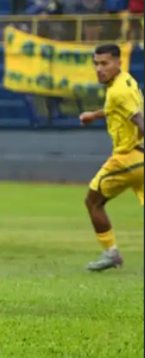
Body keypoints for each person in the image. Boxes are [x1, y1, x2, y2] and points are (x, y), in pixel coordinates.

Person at [79, 44, 144, 272]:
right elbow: (116, 109)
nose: (99, 69)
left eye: (105, 63)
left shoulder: (119, 91)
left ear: (118, 62)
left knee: (92, 201)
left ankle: (111, 253)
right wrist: (94, 115)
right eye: (96, 63)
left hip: (128, 158)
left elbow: (138, 119)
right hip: (140, 158)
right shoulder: (125, 80)